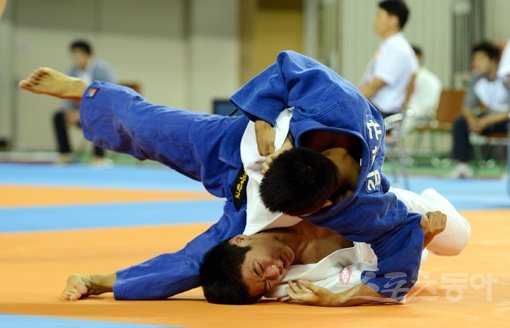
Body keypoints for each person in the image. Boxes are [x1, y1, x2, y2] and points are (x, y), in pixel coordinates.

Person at [19, 50, 424, 304]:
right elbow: (289, 65)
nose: (275, 277)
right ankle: (86, 91)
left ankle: (102, 281)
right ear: (299, 152)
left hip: (247, 208)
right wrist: (264, 118)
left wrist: (349, 298)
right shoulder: (337, 105)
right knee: (149, 127)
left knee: (198, 266)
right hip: (235, 144)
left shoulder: (362, 208)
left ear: (321, 208)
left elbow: (406, 234)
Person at [200, 187, 470, 306]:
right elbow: (384, 284)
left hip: (387, 206)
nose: (274, 273)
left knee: (460, 240)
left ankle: (430, 197)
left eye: (260, 268)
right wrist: (421, 239)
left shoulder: (267, 205)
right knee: (435, 246)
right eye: (267, 284)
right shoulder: (295, 286)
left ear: (240, 240)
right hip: (389, 249)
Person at [451, 41, 510, 179]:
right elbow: (467, 106)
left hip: (504, 118)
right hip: (488, 118)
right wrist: (472, 120)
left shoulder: (506, 78)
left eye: (481, 59)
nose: (476, 63)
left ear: (494, 60)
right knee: (460, 122)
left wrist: (487, 120)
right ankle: (463, 166)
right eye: (474, 59)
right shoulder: (476, 79)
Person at [53, 40, 116, 164]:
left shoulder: (103, 69)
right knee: (58, 116)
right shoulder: (72, 70)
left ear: (88, 55)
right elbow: (66, 92)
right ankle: (65, 153)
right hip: (77, 110)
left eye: (78, 55)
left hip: (98, 109)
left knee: (100, 117)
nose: (76, 59)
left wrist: (84, 111)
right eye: (74, 56)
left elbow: (107, 94)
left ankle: (99, 156)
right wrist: (70, 111)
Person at [360, 0, 418, 117]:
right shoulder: (391, 46)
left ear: (393, 21)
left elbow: (374, 87)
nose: (375, 21)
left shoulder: (397, 49)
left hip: (381, 114)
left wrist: (352, 102)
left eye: (379, 15)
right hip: (376, 109)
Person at [402, 45, 442, 135]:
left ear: (419, 57)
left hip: (422, 115)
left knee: (400, 121)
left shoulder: (431, 80)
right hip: (410, 111)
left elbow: (430, 104)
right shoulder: (407, 76)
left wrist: (407, 108)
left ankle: (390, 141)